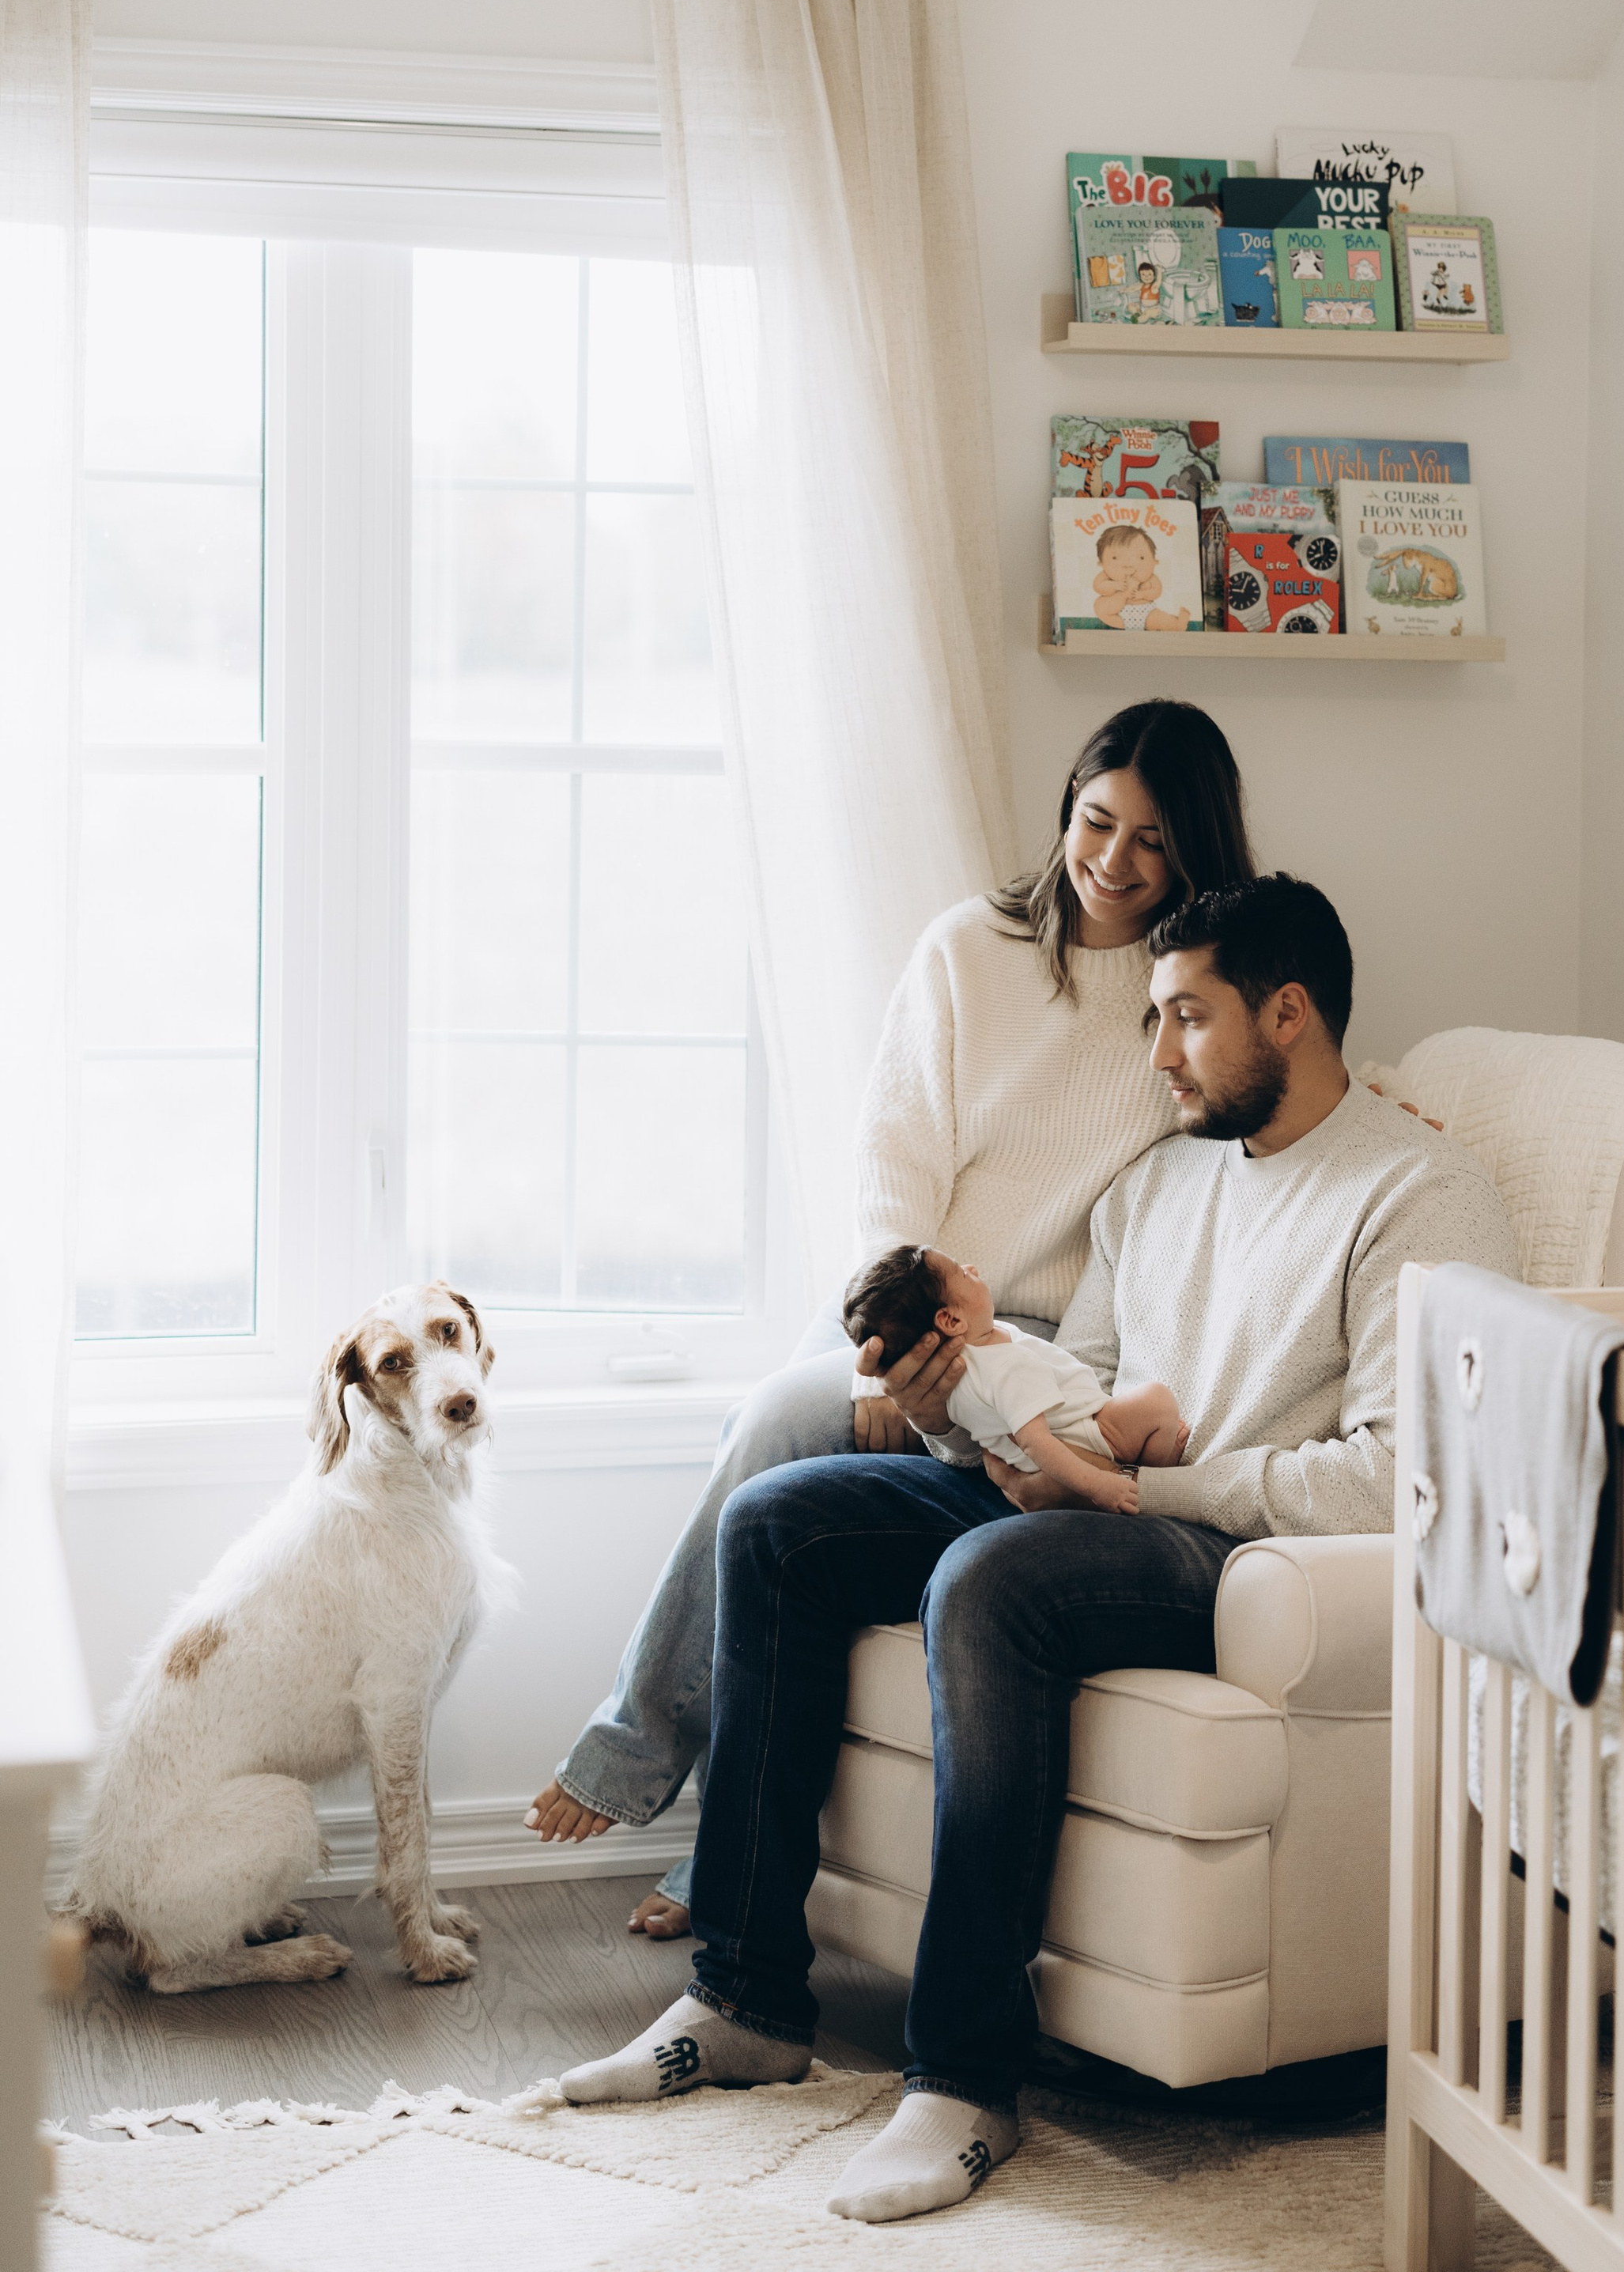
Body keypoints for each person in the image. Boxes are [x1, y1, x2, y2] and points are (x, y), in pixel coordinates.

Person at [556, 874, 1520, 2223]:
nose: (1161, 1054)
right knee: (783, 1523)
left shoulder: (1418, 1195)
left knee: (991, 1580)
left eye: (1187, 1018)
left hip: (1231, 1560)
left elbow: (1398, 1478)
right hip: (1094, 1501)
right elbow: (1091, 1385)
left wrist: (1142, 1500)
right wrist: (976, 1422)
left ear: (1288, 1013)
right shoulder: (1158, 1190)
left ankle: (962, 2080)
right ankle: (746, 1997)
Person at [523, 699, 1256, 1935]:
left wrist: (1385, 1099)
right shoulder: (970, 950)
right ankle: (661, 1779)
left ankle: (675, 1808)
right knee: (774, 1428)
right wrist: (887, 1342)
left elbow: (1270, 1088)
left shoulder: (1189, 995)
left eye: (1154, 841)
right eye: (1096, 822)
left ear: (1196, 851)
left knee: (772, 1450)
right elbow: (892, 1159)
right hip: (908, 1295)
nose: (1115, 864)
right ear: (1065, 808)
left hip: (1039, 1351)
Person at [840, 1242, 1188, 1513]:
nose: (972, 1268)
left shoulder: (963, 1365)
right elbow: (1036, 1442)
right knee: (1157, 1401)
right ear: (950, 1321)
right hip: (1088, 1435)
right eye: (962, 1275)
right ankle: (1158, 1469)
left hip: (1041, 1462)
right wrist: (1101, 1485)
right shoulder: (1005, 1366)